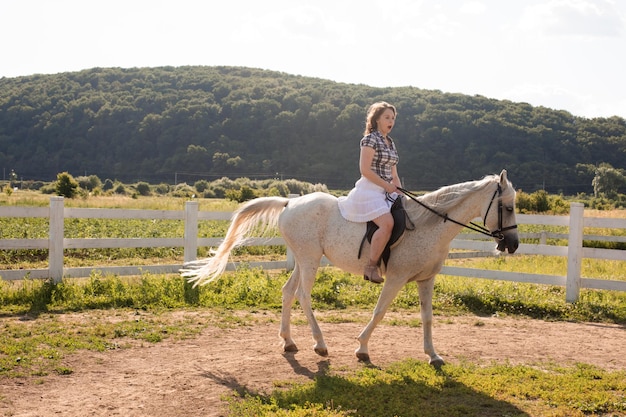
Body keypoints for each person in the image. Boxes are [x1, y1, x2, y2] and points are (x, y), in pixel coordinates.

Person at [338, 101, 402, 284]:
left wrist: (398, 189)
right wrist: (387, 185)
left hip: (386, 191)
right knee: (387, 224)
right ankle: (371, 266)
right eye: (387, 117)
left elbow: (394, 174)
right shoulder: (370, 139)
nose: (391, 121)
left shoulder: (390, 143)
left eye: (393, 118)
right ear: (377, 120)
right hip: (369, 190)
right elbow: (365, 170)